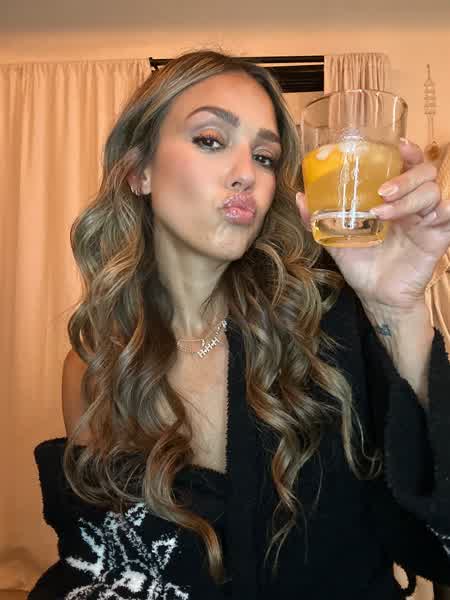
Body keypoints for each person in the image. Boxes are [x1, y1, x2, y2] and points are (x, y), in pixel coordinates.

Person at [30, 50, 450, 600]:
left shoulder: (328, 324)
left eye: (265, 156)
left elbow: (439, 539)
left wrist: (398, 309)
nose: (247, 174)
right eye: (210, 140)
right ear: (138, 171)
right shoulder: (96, 368)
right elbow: (103, 571)